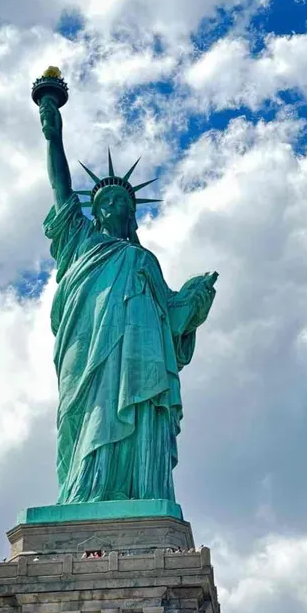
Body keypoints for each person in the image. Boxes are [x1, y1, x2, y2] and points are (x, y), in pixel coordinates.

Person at [39, 97, 217, 504]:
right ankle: (85, 493)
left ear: (133, 214)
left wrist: (195, 298)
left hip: (141, 357)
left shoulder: (143, 259)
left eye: (124, 201)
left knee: (138, 415)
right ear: (96, 213)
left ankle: (138, 491)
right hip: (88, 349)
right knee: (86, 417)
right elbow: (61, 191)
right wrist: (54, 138)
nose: (115, 205)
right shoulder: (80, 242)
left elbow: (171, 319)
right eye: (105, 202)